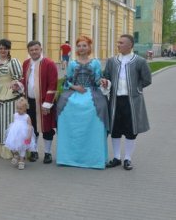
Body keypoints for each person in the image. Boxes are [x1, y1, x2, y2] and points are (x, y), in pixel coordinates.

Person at [56, 36, 109, 169]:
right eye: (79, 46)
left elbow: (97, 80)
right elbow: (66, 81)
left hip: (91, 92)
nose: (81, 48)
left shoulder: (95, 63)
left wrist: (102, 81)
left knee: (101, 105)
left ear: (89, 47)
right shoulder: (72, 63)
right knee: (62, 105)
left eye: (84, 45)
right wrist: (75, 87)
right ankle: (68, 156)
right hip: (75, 92)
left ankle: (93, 157)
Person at [101, 34, 152, 170]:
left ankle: (128, 159)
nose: (118, 44)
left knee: (131, 130)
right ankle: (117, 157)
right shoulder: (112, 61)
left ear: (130, 45)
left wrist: (136, 89)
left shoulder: (139, 61)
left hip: (132, 101)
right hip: (115, 101)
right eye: (118, 42)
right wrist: (106, 83)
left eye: (121, 43)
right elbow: (106, 76)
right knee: (115, 129)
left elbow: (147, 79)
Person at [20, 40, 58, 164]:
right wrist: (18, 86)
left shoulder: (49, 63)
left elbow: (53, 84)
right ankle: (34, 151)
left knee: (46, 128)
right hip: (30, 101)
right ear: (28, 51)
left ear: (41, 49)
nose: (34, 52)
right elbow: (23, 80)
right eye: (31, 50)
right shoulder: (26, 63)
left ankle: (47, 153)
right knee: (32, 128)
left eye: (36, 49)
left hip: (44, 102)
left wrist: (47, 103)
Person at [4, 98, 36, 170]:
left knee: (23, 147)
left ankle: (21, 161)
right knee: (11, 145)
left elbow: (30, 127)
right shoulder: (15, 115)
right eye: (17, 108)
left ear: (25, 108)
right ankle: (16, 154)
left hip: (24, 135)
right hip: (15, 134)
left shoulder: (27, 117)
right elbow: (15, 124)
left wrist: (29, 136)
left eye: (20, 109)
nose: (18, 110)